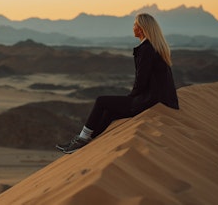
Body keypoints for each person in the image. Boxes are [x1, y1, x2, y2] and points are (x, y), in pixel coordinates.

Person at [56, 13, 179, 154]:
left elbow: (141, 79)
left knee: (101, 101)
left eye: (135, 25)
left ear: (141, 29)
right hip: (156, 99)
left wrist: (132, 96)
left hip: (149, 101)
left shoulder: (147, 49)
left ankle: (82, 139)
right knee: (110, 110)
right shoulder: (155, 48)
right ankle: (87, 141)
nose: (133, 27)